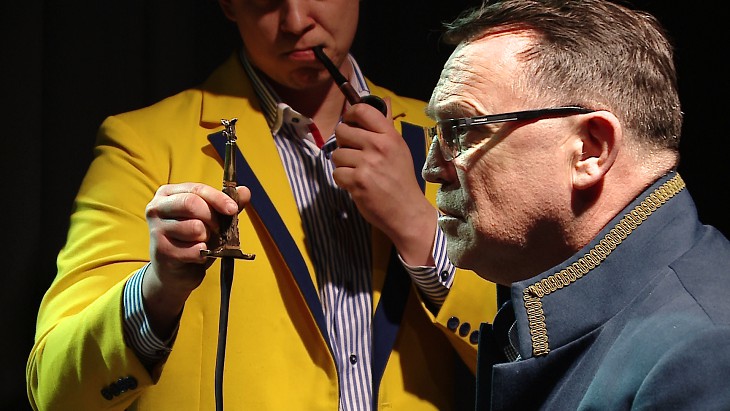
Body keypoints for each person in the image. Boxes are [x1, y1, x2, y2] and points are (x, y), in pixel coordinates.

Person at [26, 0, 497, 410]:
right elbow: (53, 390)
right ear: (228, 3)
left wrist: (417, 225)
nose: (295, 21)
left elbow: (535, 343)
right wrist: (158, 290)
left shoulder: (445, 136)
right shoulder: (143, 145)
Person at [421, 0, 730, 409]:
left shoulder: (704, 354)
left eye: (460, 130)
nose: (432, 169)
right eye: (437, 133)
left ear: (590, 149)